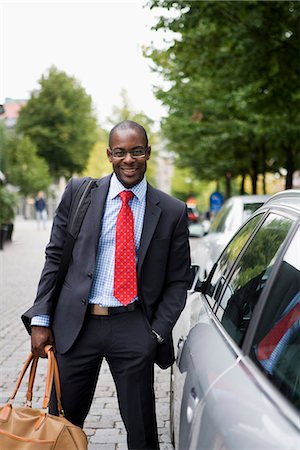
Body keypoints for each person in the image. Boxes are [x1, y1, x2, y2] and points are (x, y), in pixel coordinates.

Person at [22, 120, 191, 450]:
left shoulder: (171, 211)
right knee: (61, 427)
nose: (129, 160)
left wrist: (155, 333)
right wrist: (41, 319)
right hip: (76, 326)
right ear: (109, 155)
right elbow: (55, 257)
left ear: (148, 153)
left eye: (136, 151)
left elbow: (178, 281)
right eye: (120, 152)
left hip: (133, 325)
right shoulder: (80, 194)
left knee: (142, 432)